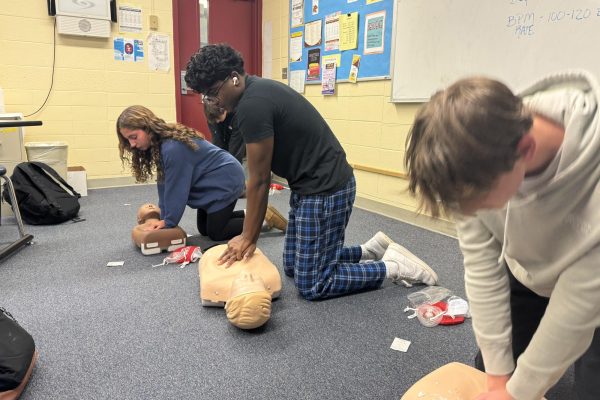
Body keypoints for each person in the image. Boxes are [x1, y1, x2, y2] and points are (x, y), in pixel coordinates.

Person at [184, 44, 438, 300]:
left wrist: (248, 236)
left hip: (326, 189)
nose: (213, 101)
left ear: (234, 78)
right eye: (206, 96)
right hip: (309, 186)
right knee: (293, 266)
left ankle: (394, 268)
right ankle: (370, 250)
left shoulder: (252, 106)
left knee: (313, 284)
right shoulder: (254, 91)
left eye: (213, 93)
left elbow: (260, 180)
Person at [404, 71, 600, 400]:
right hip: (527, 267)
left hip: (592, 285)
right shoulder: (478, 154)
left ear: (526, 149)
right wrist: (497, 379)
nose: (472, 212)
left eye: (481, 203)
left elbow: (578, 306)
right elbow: (482, 267)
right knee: (493, 374)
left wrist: (520, 391)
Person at [116, 105, 286, 242]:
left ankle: (263, 219)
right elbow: (164, 183)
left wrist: (168, 222)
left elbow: (177, 188)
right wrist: (163, 213)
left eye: (134, 137)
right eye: (128, 140)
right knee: (204, 229)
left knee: (216, 233)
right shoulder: (160, 146)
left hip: (225, 179)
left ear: (147, 128)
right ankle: (257, 213)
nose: (131, 144)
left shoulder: (172, 148)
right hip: (210, 181)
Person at [203, 101, 246, 165]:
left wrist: (230, 165)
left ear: (224, 110)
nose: (217, 121)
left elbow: (235, 146)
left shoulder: (237, 114)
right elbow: (217, 140)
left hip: (243, 145)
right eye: (214, 119)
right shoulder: (212, 117)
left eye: (218, 118)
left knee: (236, 161)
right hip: (228, 141)